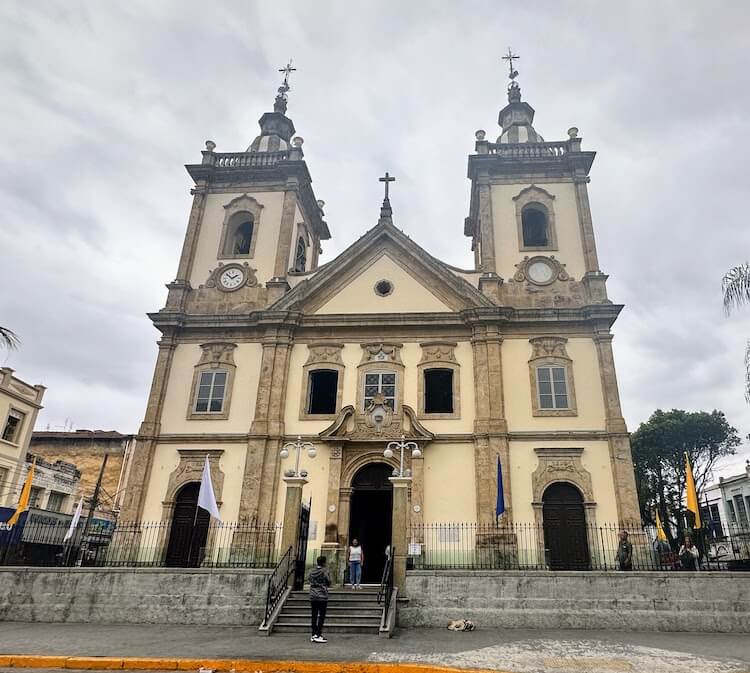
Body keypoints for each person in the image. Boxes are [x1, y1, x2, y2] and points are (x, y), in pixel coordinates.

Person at [308, 555, 331, 643]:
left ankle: (313, 634)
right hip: (322, 596)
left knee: (314, 615)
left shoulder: (311, 571)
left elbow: (309, 579)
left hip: (313, 595)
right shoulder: (325, 571)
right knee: (321, 616)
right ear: (324, 563)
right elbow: (328, 582)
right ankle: (318, 634)